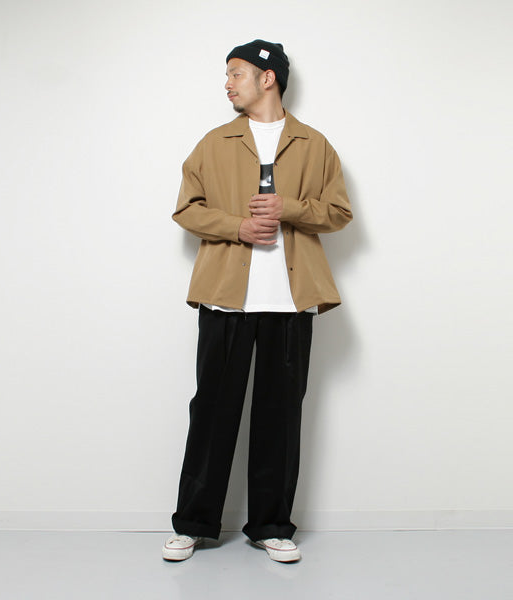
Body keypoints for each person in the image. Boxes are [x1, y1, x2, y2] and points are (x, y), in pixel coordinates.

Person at [163, 39, 352, 563]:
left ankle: (271, 525)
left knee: (280, 415)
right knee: (212, 411)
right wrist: (238, 227)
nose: (227, 83)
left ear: (268, 78)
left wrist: (290, 208)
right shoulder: (214, 143)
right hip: (226, 299)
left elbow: (338, 212)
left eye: (236, 73)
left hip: (291, 303)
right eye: (227, 74)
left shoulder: (314, 145)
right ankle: (194, 523)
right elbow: (186, 210)